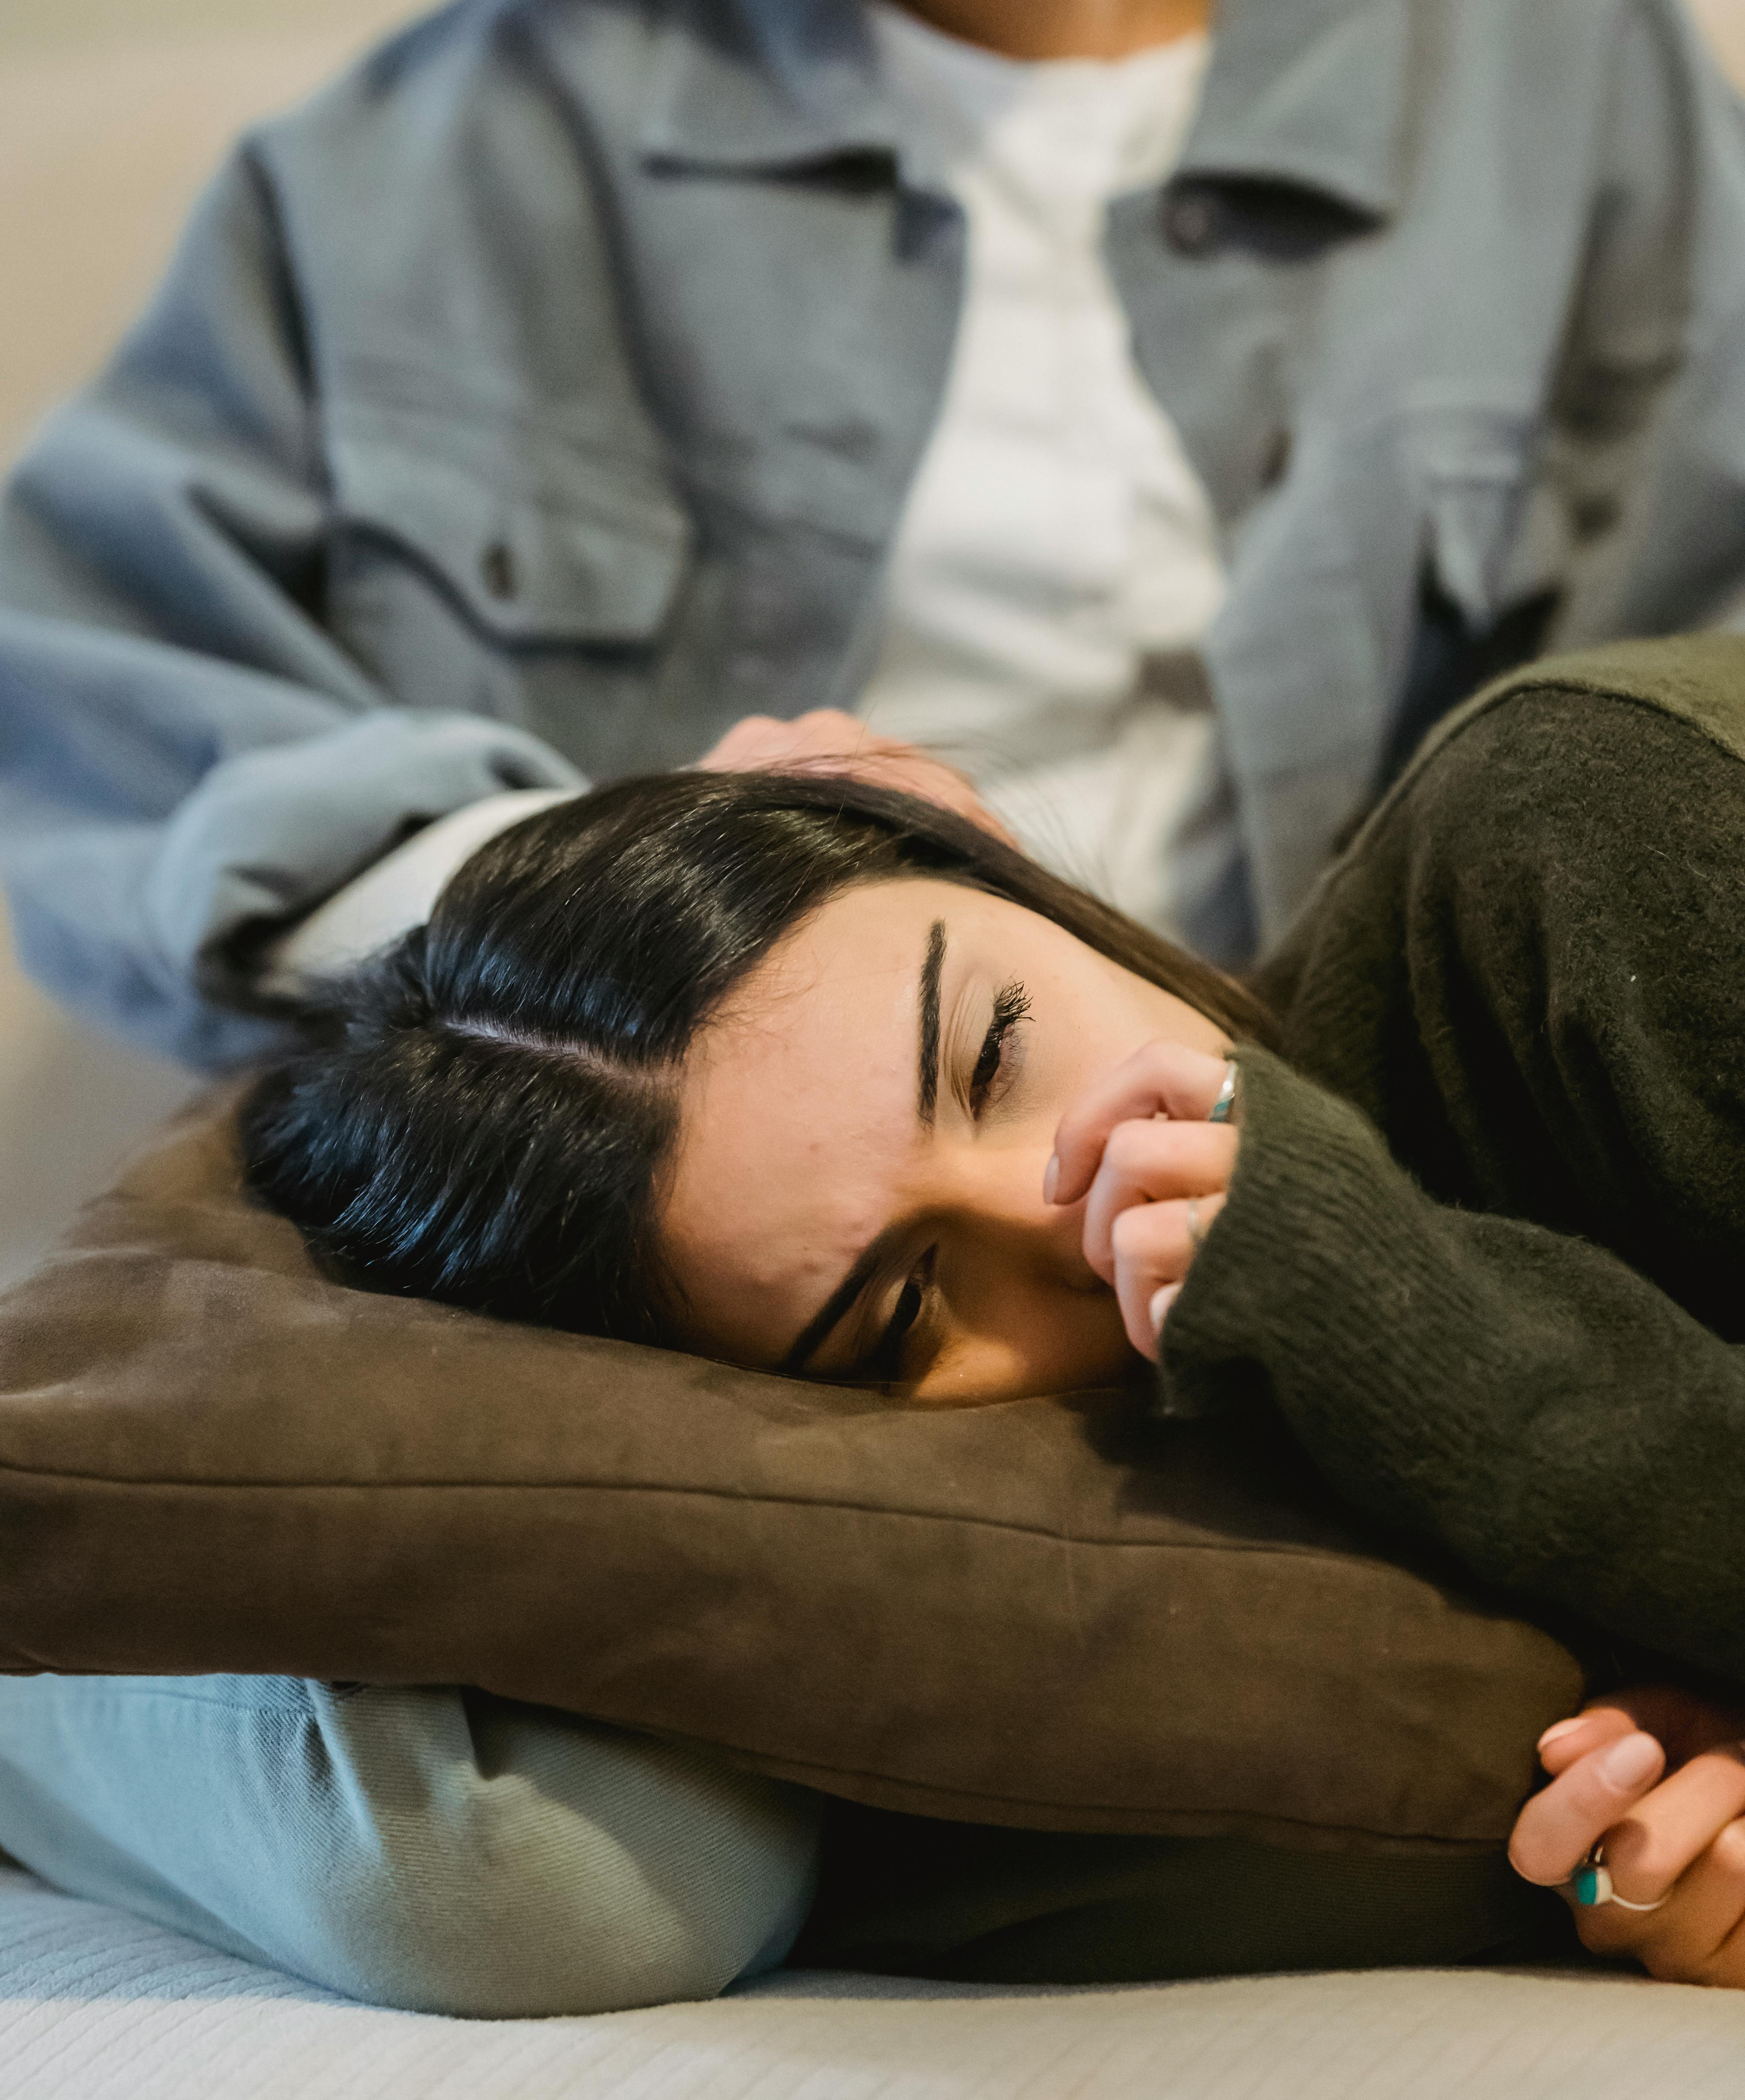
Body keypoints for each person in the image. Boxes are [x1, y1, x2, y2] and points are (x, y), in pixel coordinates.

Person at [5, 0, 1745, 1075]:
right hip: (656, 1287)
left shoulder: (1557, 68)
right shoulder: (446, 159)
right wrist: (580, 897)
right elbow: (74, 695)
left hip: (1375, 1201)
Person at [231, 633, 1745, 1990]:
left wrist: (1399, 1314)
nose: (1072, 1210)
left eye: (999, 1048)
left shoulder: (1586, 835)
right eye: (905, 1314)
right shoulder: (1131, 1623)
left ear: (976, 851)